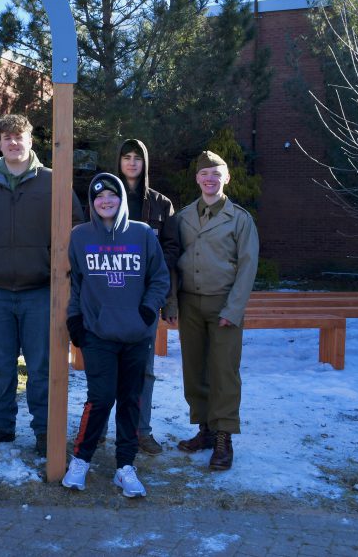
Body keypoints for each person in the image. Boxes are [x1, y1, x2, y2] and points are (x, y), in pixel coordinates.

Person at [0, 113, 83, 457]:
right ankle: (2, 424)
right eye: (6, 138)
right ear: (0, 143)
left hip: (40, 292)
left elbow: (76, 226)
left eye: (19, 137)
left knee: (41, 366)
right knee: (1, 365)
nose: (13, 143)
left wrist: (52, 264)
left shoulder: (53, 183)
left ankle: (44, 429)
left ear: (31, 141)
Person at [62, 173, 169, 497]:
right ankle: (81, 459)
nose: (105, 201)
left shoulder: (142, 234)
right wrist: (75, 319)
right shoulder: (80, 236)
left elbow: (160, 278)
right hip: (98, 333)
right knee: (101, 398)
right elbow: (76, 282)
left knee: (130, 400)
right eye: (98, 197)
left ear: (121, 199)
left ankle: (125, 466)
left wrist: (148, 311)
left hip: (136, 333)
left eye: (111, 195)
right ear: (92, 203)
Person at [174, 151, 259, 471]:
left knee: (224, 371)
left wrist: (234, 308)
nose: (210, 179)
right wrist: (172, 303)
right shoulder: (183, 217)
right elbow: (173, 262)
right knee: (194, 370)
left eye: (216, 174)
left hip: (223, 304)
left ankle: (224, 436)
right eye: (205, 174)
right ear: (197, 178)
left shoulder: (239, 219)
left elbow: (248, 266)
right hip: (190, 303)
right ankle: (205, 430)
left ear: (227, 179)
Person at [114, 139, 180, 455]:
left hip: (145, 301)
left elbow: (171, 249)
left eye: (137, 158)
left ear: (145, 163)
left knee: (145, 369)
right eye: (126, 157)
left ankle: (141, 430)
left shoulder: (161, 204)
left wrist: (158, 287)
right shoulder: (105, 198)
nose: (131, 162)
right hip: (110, 296)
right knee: (105, 367)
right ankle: (98, 430)